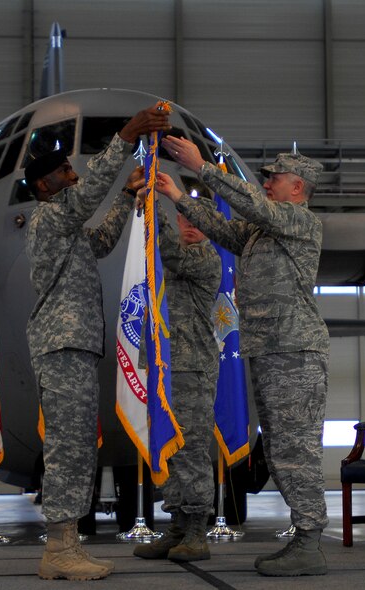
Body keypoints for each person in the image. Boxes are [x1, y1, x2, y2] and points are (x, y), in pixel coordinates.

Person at [155, 135, 330, 577]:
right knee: (278, 447)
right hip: (272, 350)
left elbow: (253, 206)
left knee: (296, 449)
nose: (268, 183)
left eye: (275, 178)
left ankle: (309, 541)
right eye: (267, 178)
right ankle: (303, 537)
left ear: (298, 188)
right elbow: (225, 228)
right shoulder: (263, 230)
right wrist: (177, 195)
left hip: (295, 351)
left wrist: (203, 167)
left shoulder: (299, 220)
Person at [24, 102, 171, 581]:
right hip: (63, 347)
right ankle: (58, 550)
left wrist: (128, 197)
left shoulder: (66, 227)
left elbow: (101, 239)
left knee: (78, 446)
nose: (72, 173)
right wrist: (127, 135)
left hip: (76, 347)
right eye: (65, 170)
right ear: (45, 185)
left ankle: (66, 545)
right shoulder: (49, 217)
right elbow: (86, 201)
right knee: (67, 449)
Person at [133, 201, 221, 563]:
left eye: (199, 220)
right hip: (166, 368)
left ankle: (198, 527)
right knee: (168, 447)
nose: (190, 225)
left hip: (192, 368)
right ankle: (178, 525)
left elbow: (170, 251)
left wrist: (152, 211)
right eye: (185, 217)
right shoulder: (168, 264)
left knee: (192, 449)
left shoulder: (205, 258)